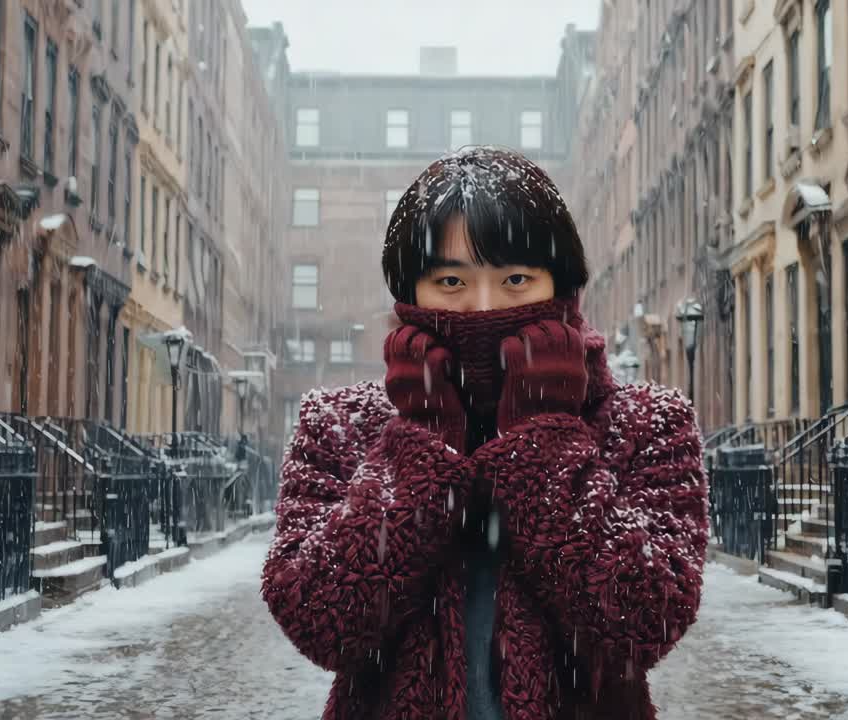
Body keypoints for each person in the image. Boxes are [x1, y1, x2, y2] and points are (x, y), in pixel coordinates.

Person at [261, 146, 708, 719]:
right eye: (450, 280)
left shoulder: (644, 424)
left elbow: (645, 620)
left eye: (516, 278)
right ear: (410, 292)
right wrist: (418, 449)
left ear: (561, 285)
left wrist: (543, 442)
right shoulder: (340, 427)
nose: (482, 306)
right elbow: (322, 621)